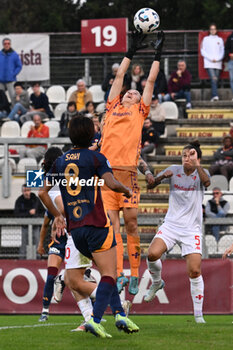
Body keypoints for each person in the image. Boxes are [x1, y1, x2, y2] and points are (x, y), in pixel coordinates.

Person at [39, 115, 139, 338]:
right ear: (91, 134)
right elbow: (111, 183)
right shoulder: (96, 158)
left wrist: (56, 216)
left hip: (75, 232)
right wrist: (127, 190)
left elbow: (42, 192)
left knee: (80, 279)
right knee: (109, 275)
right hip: (97, 225)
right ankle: (95, 320)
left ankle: (120, 314)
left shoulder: (60, 161)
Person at [100, 31, 165, 295]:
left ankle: (135, 273)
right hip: (104, 174)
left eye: (136, 93)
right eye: (130, 91)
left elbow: (149, 80)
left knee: (132, 224)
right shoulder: (112, 104)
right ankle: (118, 275)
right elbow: (119, 77)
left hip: (127, 174)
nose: (132, 93)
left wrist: (157, 56)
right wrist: (130, 52)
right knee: (112, 226)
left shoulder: (140, 112)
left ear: (141, 103)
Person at [144, 140, 210, 324]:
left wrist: (198, 166)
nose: (186, 158)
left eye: (191, 155)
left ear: (198, 158)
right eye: (184, 155)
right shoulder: (174, 169)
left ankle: (198, 316)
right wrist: (160, 177)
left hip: (191, 229)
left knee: (195, 271)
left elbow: (207, 182)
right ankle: (157, 282)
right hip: (171, 224)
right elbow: (150, 186)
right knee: (151, 254)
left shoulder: (202, 173)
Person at [37, 147, 96, 328]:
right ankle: (45, 311)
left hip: (75, 231)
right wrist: (43, 241)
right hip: (67, 233)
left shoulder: (61, 181)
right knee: (60, 274)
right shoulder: (54, 185)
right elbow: (52, 216)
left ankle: (91, 316)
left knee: (78, 276)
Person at [14, 184, 44, 258]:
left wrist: (37, 216)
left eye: (27, 190)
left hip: (35, 226)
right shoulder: (19, 200)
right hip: (25, 226)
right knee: (24, 244)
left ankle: (39, 260)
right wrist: (28, 213)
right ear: (22, 191)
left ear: (30, 190)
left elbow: (43, 211)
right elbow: (16, 214)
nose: (26, 192)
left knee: (37, 243)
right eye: (24, 191)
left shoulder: (36, 199)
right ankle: (21, 261)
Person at [201, 24, 224, 101]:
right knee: (214, 79)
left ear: (216, 30)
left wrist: (217, 59)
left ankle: (214, 95)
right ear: (209, 30)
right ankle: (215, 96)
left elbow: (222, 51)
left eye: (214, 29)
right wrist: (211, 59)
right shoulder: (205, 39)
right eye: (211, 29)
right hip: (209, 63)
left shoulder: (220, 40)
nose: (213, 30)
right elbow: (202, 51)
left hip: (218, 63)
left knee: (215, 80)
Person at [0, 37, 22, 102]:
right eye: (5, 44)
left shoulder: (14, 55)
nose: (7, 45)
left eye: (8, 43)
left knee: (13, 97)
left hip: (11, 80)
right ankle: (3, 111)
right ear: (3, 45)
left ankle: (14, 111)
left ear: (10, 44)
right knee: (1, 98)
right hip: (0, 81)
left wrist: (13, 74)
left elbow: (19, 66)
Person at [224, 31, 233, 99]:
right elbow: (226, 50)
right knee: (232, 79)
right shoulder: (230, 37)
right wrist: (230, 54)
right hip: (231, 61)